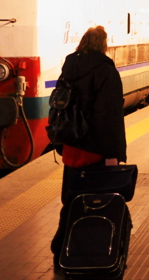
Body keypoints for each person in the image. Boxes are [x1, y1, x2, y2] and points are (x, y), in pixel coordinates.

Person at [50, 25, 127, 265]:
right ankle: (92, 251)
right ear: (103, 45)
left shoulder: (69, 67)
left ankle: (60, 248)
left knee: (71, 200)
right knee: (96, 202)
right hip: (96, 149)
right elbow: (110, 117)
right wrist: (114, 153)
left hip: (72, 145)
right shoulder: (106, 72)